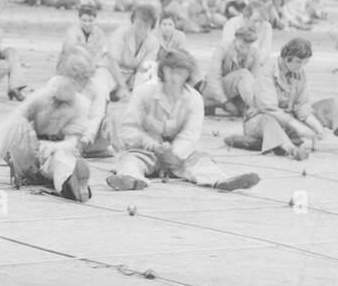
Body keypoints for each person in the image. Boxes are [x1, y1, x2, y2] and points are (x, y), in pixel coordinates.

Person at [107, 48, 260, 193]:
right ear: (162, 70)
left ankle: (221, 180)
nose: (174, 78)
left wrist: (173, 153)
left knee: (203, 162)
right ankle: (131, 179)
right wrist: (151, 144)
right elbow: (128, 129)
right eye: (170, 71)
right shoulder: (143, 93)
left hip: (181, 156)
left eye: (180, 73)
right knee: (129, 161)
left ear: (188, 75)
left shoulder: (194, 99)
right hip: (145, 151)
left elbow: (190, 134)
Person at [0, 47, 95, 201]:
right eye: (66, 79)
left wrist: (54, 147)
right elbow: (11, 122)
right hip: (30, 155)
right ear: (60, 77)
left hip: (53, 156)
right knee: (16, 123)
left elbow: (74, 141)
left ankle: (72, 186)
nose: (68, 86)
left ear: (80, 86)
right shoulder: (42, 95)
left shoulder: (81, 105)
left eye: (75, 83)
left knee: (63, 159)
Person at [226, 38, 338, 159]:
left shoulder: (299, 73)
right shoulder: (266, 72)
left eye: (305, 63)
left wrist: (315, 125)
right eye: (298, 62)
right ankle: (291, 149)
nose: (301, 67)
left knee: (330, 105)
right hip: (259, 120)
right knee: (268, 119)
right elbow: (269, 108)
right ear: (286, 56)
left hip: (290, 117)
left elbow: (302, 106)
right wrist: (298, 126)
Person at [96, 4, 160, 102]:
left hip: (131, 75)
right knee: (100, 87)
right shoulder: (121, 33)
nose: (141, 29)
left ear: (152, 27)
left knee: (150, 81)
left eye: (146, 26)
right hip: (110, 70)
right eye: (139, 24)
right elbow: (112, 62)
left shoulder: (154, 43)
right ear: (133, 21)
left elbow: (144, 69)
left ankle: (125, 95)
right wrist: (123, 86)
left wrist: (136, 91)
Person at [202, 24, 263, 117]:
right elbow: (212, 78)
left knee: (246, 111)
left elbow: (254, 82)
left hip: (238, 94)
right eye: (243, 43)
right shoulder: (223, 48)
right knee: (243, 74)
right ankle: (259, 107)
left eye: (248, 44)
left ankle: (256, 106)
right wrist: (225, 101)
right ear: (236, 38)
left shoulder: (255, 53)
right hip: (215, 90)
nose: (246, 46)